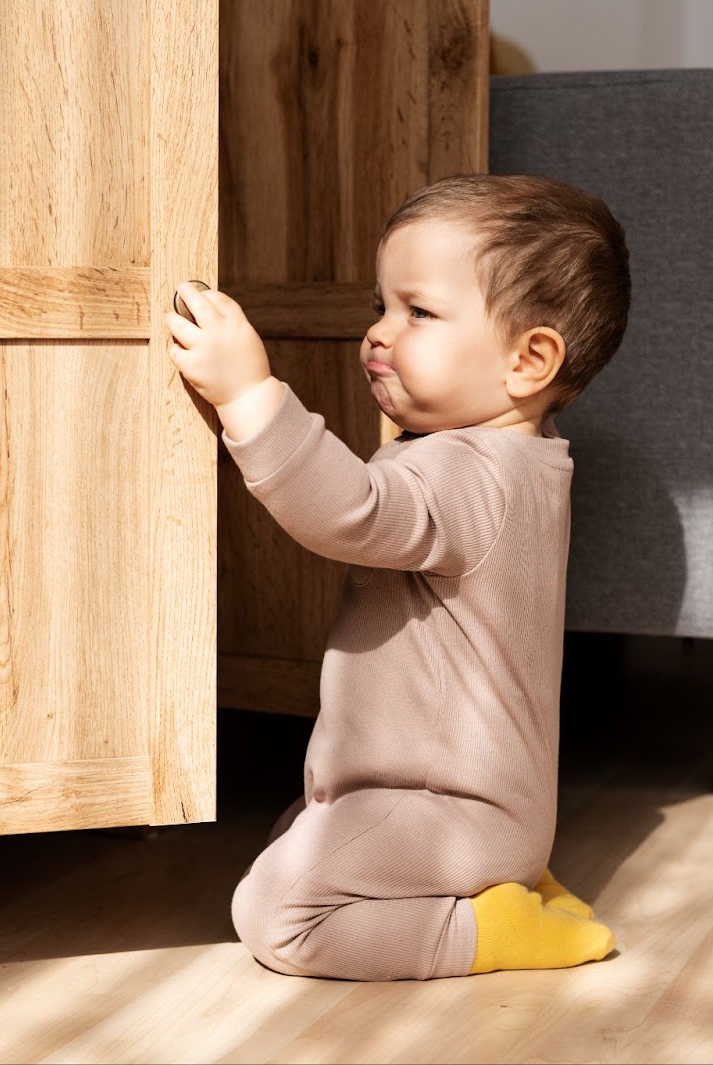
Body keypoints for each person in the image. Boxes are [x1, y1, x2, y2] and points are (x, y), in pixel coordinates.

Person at [166, 173, 631, 981]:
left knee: (277, 915)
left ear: (529, 359)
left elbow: (352, 509)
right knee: (297, 837)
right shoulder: (514, 460)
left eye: (417, 312)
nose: (380, 332)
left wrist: (248, 394)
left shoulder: (476, 476)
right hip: (445, 801)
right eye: (380, 307)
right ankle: (502, 879)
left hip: (455, 809)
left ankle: (491, 931)